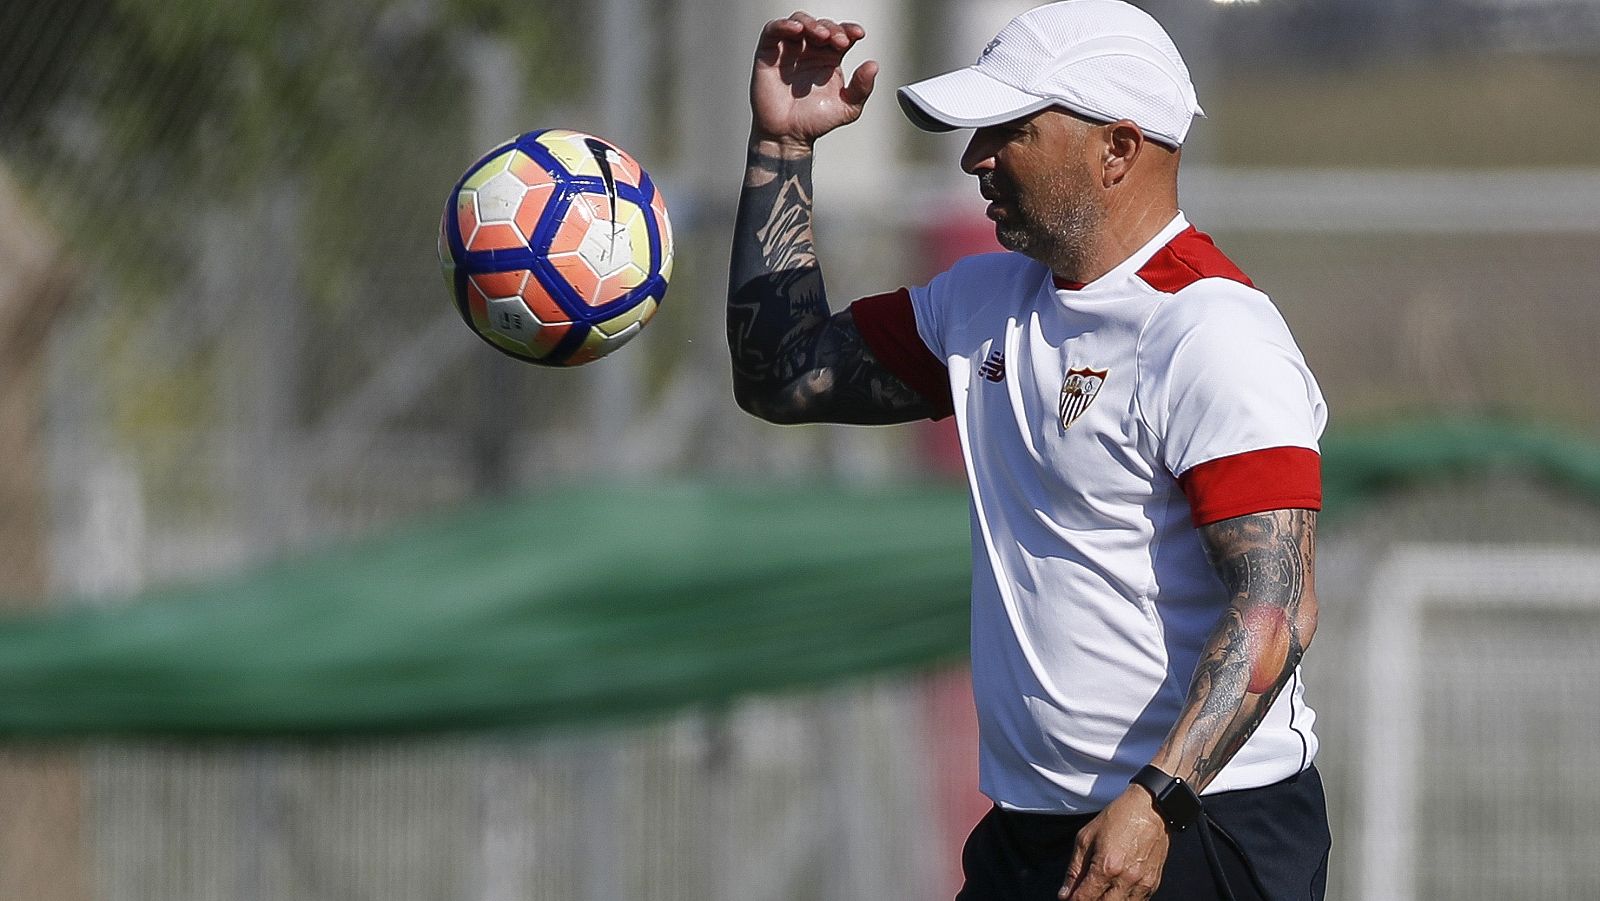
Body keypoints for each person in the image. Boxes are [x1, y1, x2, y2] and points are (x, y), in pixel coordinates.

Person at [726, 2, 1331, 898]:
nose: (974, 157)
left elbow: (1277, 606)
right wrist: (783, 146)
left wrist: (1156, 803)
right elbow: (782, 371)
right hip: (1032, 829)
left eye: (1008, 130)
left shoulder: (1211, 329)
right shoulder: (985, 303)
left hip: (1199, 826)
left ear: (1117, 149)